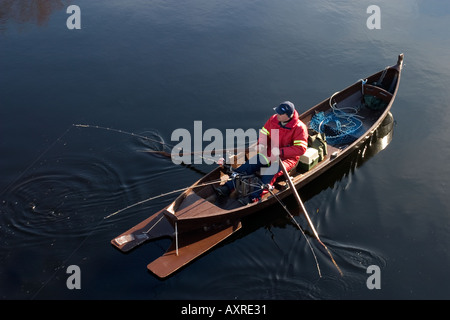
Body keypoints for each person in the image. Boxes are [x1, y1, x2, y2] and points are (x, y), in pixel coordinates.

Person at [216, 101, 308, 202]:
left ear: (288, 116)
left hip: (287, 158)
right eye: (277, 112)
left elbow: (301, 149)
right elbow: (264, 133)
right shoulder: (273, 119)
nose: (277, 115)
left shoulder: (300, 128)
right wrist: (262, 145)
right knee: (249, 164)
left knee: (270, 172)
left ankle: (254, 197)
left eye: (280, 114)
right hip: (269, 152)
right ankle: (228, 186)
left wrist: (280, 151)